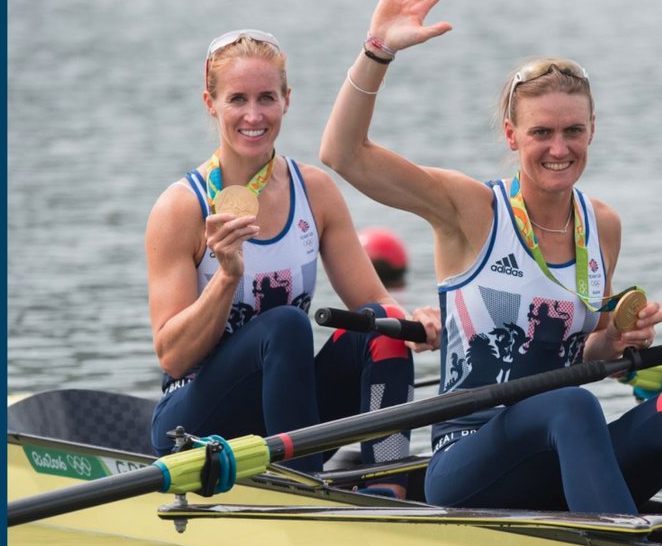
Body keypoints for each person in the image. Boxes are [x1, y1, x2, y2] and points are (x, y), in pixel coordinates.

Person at [320, 0, 662, 546]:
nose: (559, 147)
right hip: (469, 464)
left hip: (568, 454)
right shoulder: (470, 211)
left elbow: (584, 350)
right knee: (570, 406)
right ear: (512, 135)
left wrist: (617, 342)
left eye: (573, 131)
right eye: (542, 132)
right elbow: (343, 154)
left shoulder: (603, 226)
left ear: (592, 130)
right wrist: (377, 51)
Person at [145, 30, 441, 495]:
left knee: (382, 324)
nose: (253, 115)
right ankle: (305, 487)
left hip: (287, 419)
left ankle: (386, 484)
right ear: (211, 102)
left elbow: (374, 300)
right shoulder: (180, 209)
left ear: (287, 100)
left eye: (267, 98)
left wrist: (417, 320)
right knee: (286, 324)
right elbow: (174, 356)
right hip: (194, 424)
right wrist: (226, 277)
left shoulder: (315, 191)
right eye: (237, 99)